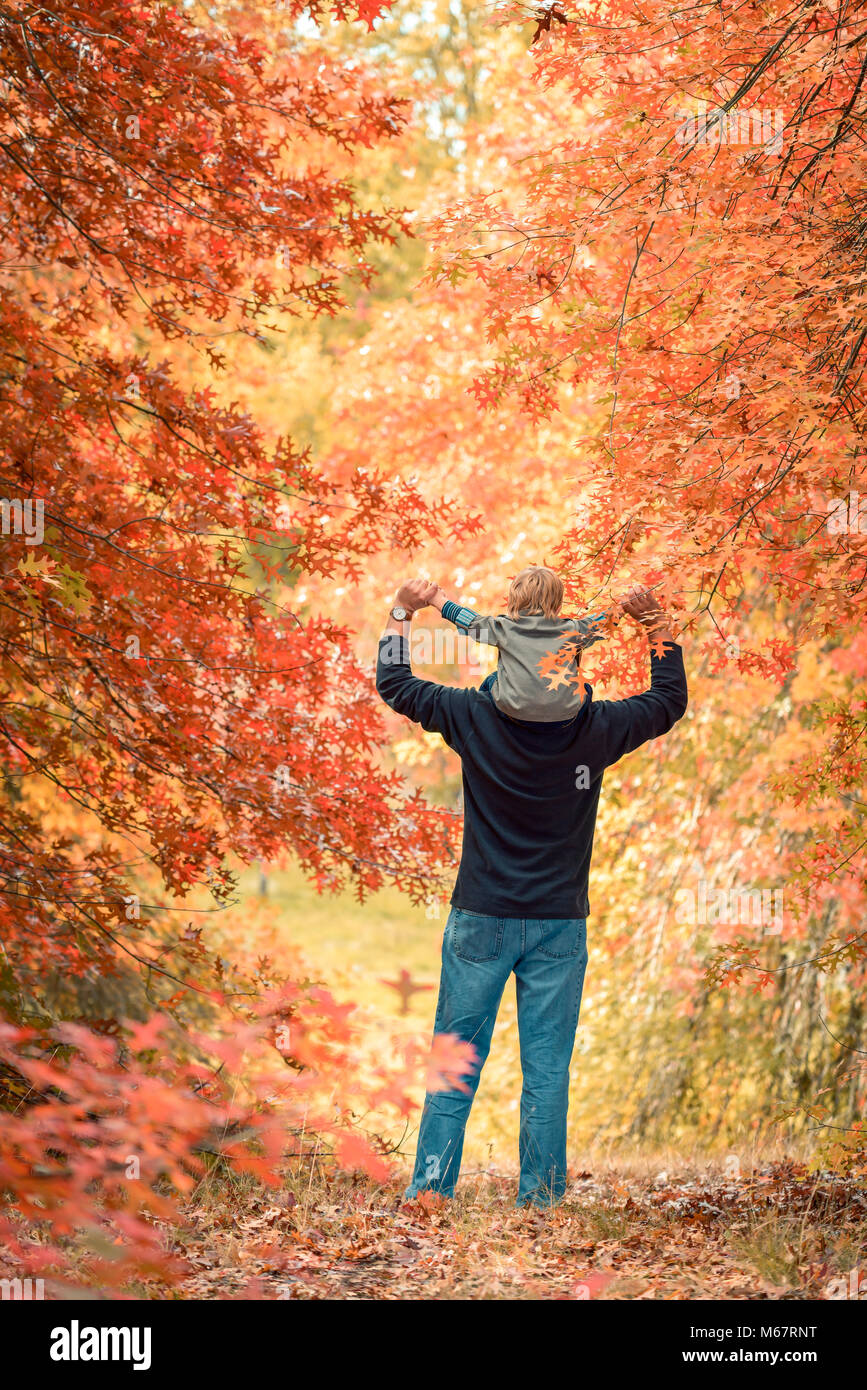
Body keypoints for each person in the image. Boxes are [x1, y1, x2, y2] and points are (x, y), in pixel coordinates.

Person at [376, 575, 687, 1208]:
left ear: (506, 641)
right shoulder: (596, 729)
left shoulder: (471, 717)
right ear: (568, 649)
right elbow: (668, 701)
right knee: (546, 1073)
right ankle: (540, 1204)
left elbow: (395, 685)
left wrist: (402, 612)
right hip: (558, 926)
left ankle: (430, 1192)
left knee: (454, 1061)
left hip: (480, 919)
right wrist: (656, 625)